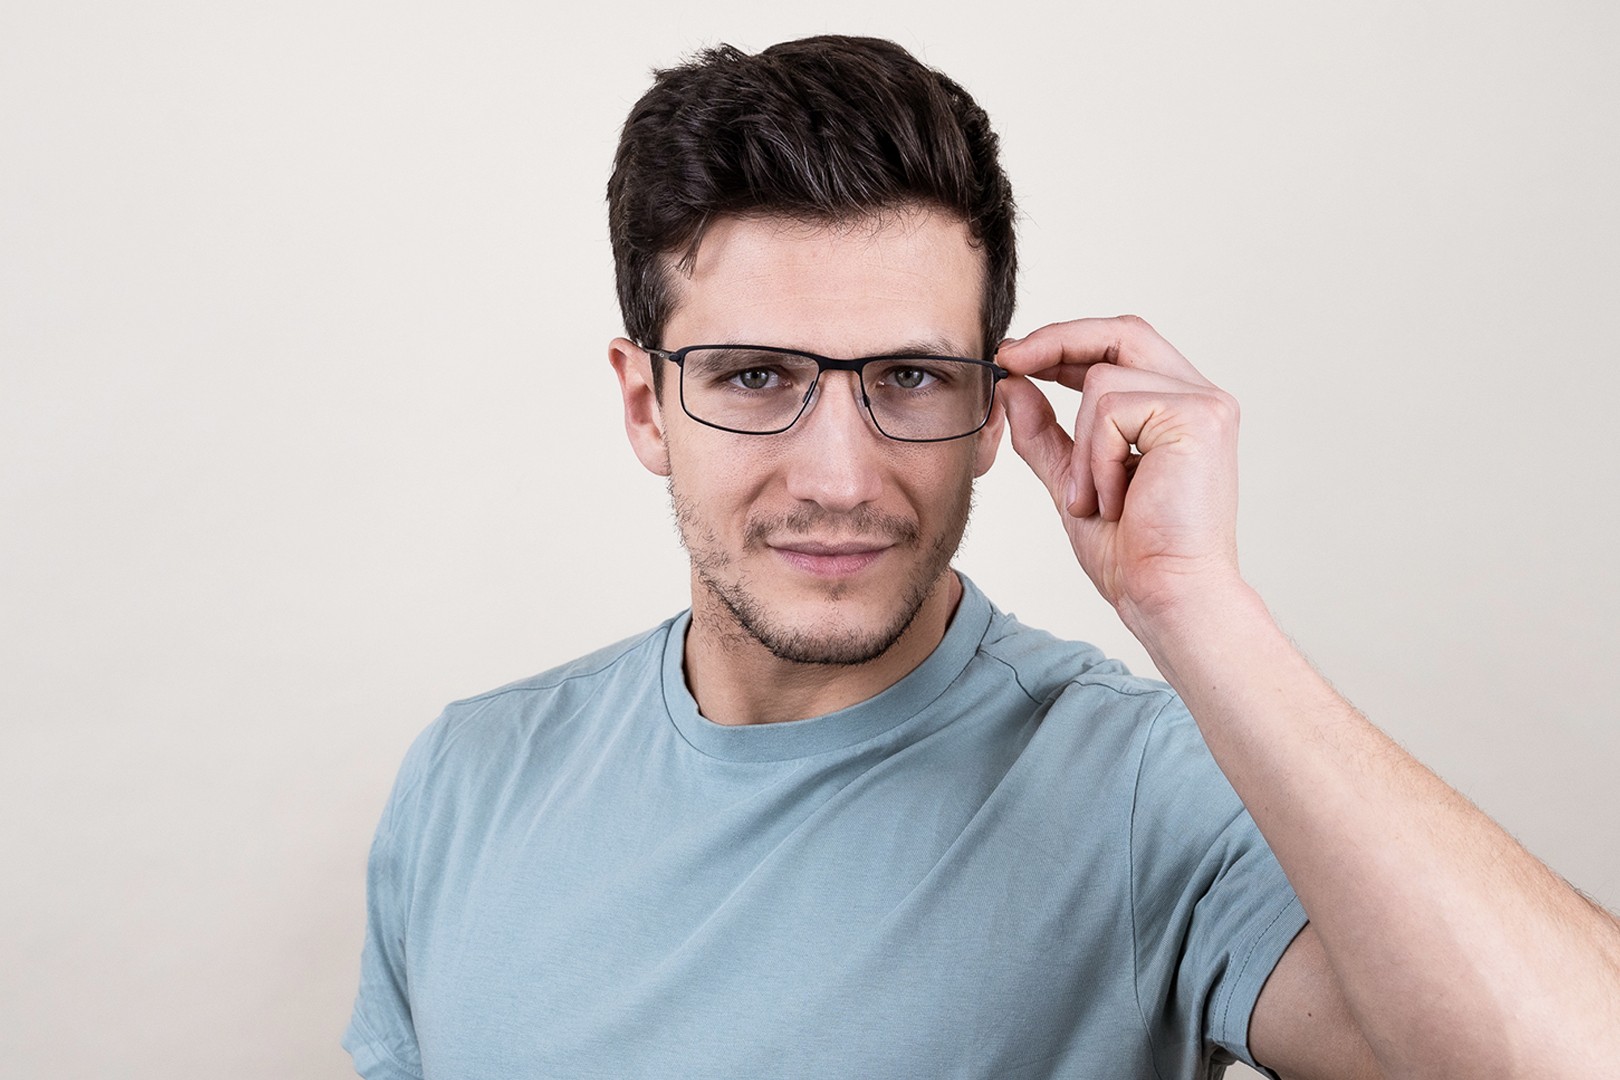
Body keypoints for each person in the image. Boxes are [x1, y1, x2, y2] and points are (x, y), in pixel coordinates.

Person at [344, 35, 1620, 1079]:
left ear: (996, 409)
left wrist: (1194, 603)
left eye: (909, 377)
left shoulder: (1144, 790)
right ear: (645, 406)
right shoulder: (467, 781)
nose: (839, 479)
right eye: (755, 376)